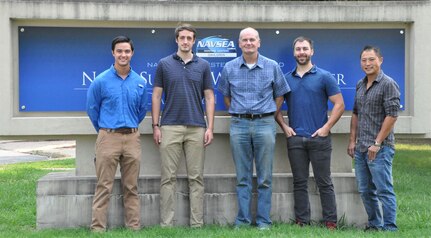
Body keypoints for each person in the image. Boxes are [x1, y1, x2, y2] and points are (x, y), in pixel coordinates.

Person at [218, 27, 290, 230]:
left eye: (252, 40)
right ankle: (242, 220)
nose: (248, 43)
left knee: (265, 177)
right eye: (245, 40)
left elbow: (280, 94)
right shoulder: (229, 67)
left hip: (265, 124)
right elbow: (226, 95)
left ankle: (264, 221)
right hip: (239, 124)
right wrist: (239, 111)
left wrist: (268, 112)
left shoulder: (272, 66)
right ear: (239, 44)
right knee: (243, 176)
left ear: (259, 42)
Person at [275, 36, 345, 230]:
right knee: (299, 182)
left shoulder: (324, 76)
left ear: (312, 51)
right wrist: (284, 127)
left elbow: (339, 105)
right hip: (295, 139)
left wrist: (326, 128)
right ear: (294, 53)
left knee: (324, 182)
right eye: (298, 49)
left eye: (305, 49)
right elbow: (275, 108)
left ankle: (330, 222)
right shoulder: (286, 79)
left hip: (319, 139)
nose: (301, 52)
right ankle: (302, 221)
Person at [151, 23, 215, 228]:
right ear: (176, 40)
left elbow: (209, 97)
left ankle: (197, 224)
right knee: (167, 178)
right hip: (169, 126)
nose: (186, 41)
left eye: (189, 38)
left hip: (197, 127)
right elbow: (157, 95)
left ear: (194, 40)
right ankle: (166, 224)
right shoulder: (164, 63)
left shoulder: (203, 65)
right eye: (182, 38)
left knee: (196, 178)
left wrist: (210, 127)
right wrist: (156, 125)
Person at [86, 35, 148, 232]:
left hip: (132, 138)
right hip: (108, 137)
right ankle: (97, 228)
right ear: (113, 53)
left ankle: (133, 227)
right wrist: (105, 131)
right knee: (104, 186)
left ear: (132, 53)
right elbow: (92, 109)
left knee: (131, 186)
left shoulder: (139, 82)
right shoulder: (101, 81)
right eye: (119, 51)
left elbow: (141, 110)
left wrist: (129, 128)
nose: (123, 55)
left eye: (127, 51)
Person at [347, 45, 400, 232]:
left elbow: (392, 115)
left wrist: (377, 143)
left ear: (380, 60)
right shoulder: (360, 84)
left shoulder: (388, 84)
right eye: (364, 60)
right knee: (365, 190)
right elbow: (355, 113)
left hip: (380, 148)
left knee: (384, 190)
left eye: (371, 59)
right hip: (361, 148)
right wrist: (352, 140)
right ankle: (375, 225)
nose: (367, 63)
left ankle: (390, 227)